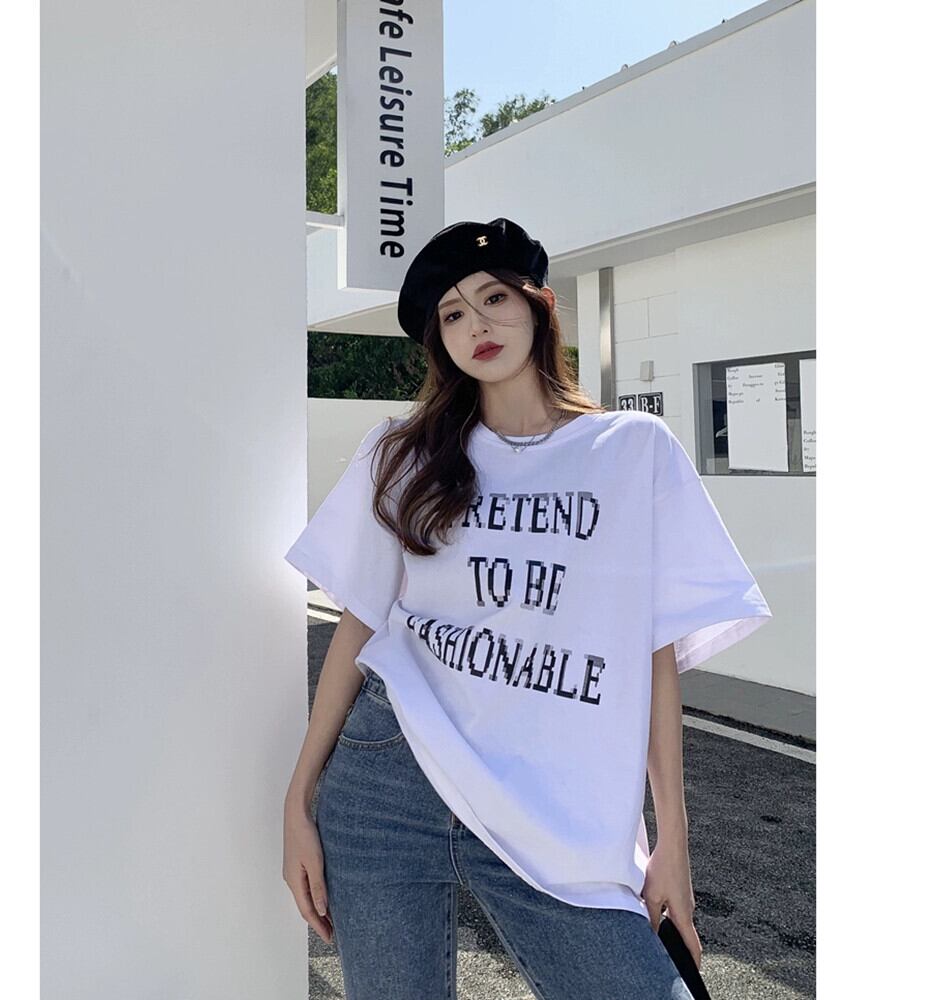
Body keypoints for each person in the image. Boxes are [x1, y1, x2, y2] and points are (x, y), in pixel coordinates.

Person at [282, 217, 772, 999]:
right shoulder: (404, 453)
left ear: (538, 305)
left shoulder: (632, 451)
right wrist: (299, 800)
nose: (475, 325)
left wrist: (671, 843)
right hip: (387, 783)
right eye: (452, 314)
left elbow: (651, 653)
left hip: (553, 805)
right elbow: (360, 625)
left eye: (493, 298)